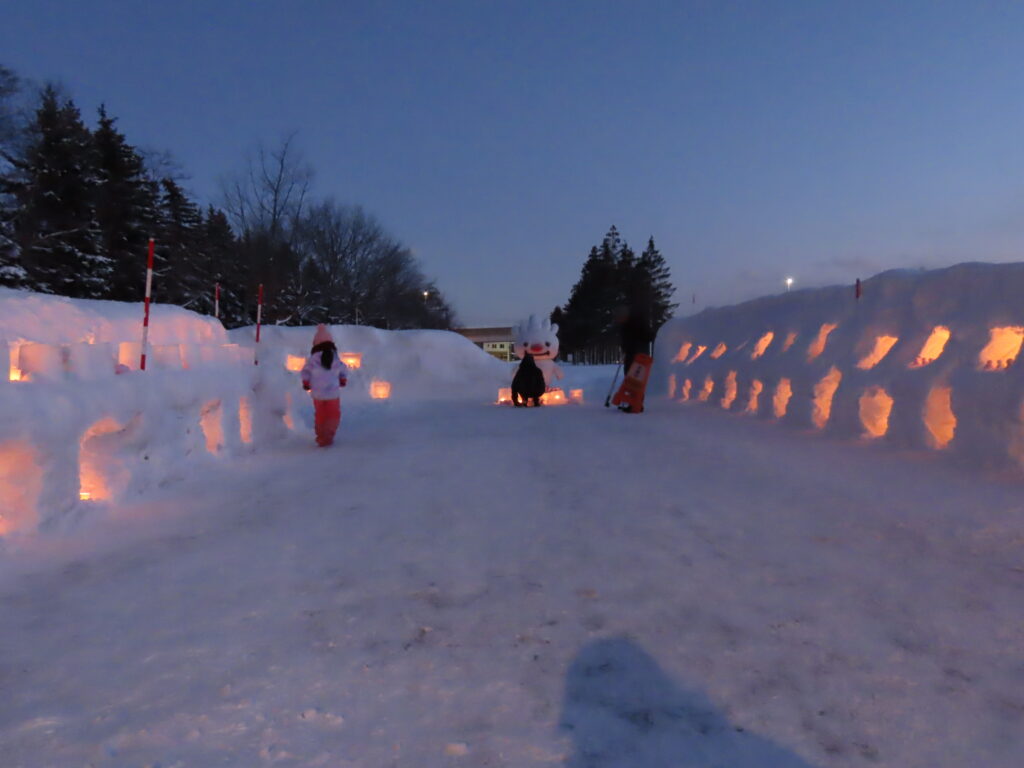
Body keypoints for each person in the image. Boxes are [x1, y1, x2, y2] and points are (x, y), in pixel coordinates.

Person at [301, 324, 348, 447]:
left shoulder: (312, 360)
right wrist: (342, 379)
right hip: (333, 393)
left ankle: (321, 436)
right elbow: (343, 370)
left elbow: (305, 372)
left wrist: (306, 382)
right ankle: (328, 435)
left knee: (320, 415)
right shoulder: (335, 358)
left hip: (317, 394)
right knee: (333, 414)